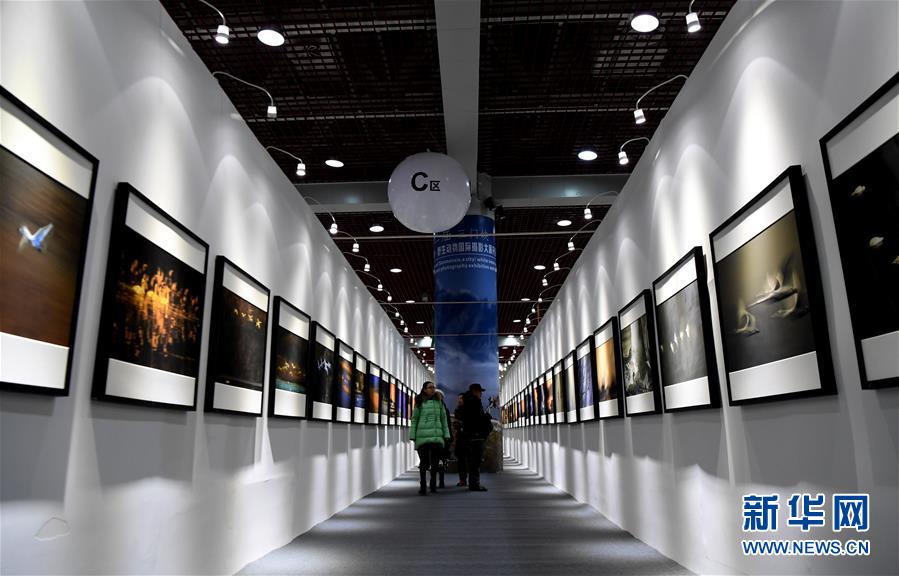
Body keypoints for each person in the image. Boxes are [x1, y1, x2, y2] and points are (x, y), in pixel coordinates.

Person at [409, 381, 450, 495]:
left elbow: (444, 420)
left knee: (435, 463)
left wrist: (446, 434)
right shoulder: (419, 402)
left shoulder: (439, 402)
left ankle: (433, 485)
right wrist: (413, 435)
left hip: (437, 437)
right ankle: (423, 486)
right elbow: (415, 419)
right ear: (424, 389)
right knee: (424, 463)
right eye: (430, 387)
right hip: (423, 437)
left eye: (434, 387)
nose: (432, 389)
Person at [459, 383, 492, 492]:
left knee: (472, 461)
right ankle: (474, 485)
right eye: (480, 391)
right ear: (474, 391)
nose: (481, 393)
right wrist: (487, 417)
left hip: (468, 436)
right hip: (476, 435)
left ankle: (473, 484)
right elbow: (478, 418)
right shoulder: (474, 402)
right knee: (475, 461)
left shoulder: (466, 402)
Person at [434, 389, 452, 489]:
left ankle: (440, 480)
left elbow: (447, 425)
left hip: (442, 438)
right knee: (438, 459)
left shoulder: (445, 409)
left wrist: (448, 437)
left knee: (441, 460)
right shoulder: (443, 408)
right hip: (437, 437)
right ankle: (437, 480)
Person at [452, 393, 468, 487]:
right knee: (461, 460)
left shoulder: (470, 410)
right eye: (458, 398)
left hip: (469, 438)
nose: (459, 400)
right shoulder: (457, 410)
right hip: (460, 438)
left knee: (469, 461)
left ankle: (472, 480)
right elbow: (456, 425)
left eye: (461, 398)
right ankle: (462, 480)